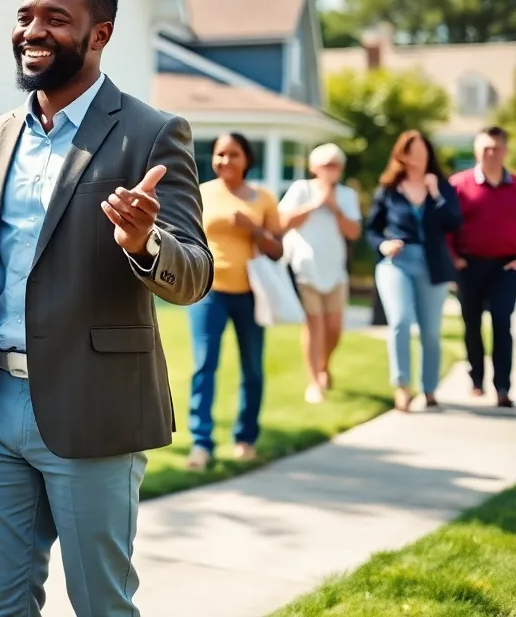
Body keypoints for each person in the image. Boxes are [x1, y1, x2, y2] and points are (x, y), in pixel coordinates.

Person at [0, 0, 213, 617]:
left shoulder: (150, 132)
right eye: (26, 16)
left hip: (95, 410)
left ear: (99, 34)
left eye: (57, 19)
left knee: (101, 605)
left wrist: (145, 243)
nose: (34, 29)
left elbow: (195, 272)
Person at [187, 132, 284, 470]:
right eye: (220, 154)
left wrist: (253, 229)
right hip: (208, 293)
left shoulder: (264, 198)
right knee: (204, 366)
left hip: (251, 295)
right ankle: (201, 444)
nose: (225, 161)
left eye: (234, 155)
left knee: (253, 369)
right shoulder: (200, 193)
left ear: (247, 159)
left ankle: (245, 439)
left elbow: (277, 250)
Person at [366, 129, 461, 412]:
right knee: (400, 321)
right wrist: (382, 244)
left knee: (431, 331)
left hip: (433, 264)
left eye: (423, 152)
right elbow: (371, 230)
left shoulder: (442, 188)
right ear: (402, 155)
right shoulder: (388, 189)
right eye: (412, 152)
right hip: (397, 263)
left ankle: (429, 389)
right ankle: (402, 386)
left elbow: (454, 223)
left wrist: (435, 194)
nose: (418, 158)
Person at [279, 143, 362, 404]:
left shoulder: (347, 195)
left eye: (335, 165)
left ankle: (324, 364)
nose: (331, 170)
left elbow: (353, 232)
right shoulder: (300, 190)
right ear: (314, 167)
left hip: (334, 271)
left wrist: (335, 207)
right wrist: (315, 204)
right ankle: (314, 382)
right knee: (314, 327)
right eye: (326, 164)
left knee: (334, 327)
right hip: (305, 269)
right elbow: (283, 223)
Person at [448, 125, 516, 408]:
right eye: (486, 148)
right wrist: (454, 259)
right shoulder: (458, 185)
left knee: (502, 321)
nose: (491, 153)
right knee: (472, 323)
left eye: (496, 148)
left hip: (506, 267)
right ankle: (476, 378)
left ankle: (502, 387)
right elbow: (446, 227)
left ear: (505, 151)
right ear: (477, 151)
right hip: (469, 264)